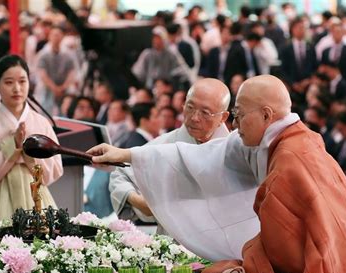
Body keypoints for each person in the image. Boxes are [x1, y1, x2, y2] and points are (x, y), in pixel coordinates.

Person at [87, 75, 346, 273]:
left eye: (239, 115)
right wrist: (127, 155)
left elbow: (284, 252)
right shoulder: (274, 140)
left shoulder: (290, 161)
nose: (235, 123)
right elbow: (211, 157)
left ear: (267, 115)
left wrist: (225, 269)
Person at [108, 78, 256, 246]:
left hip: (224, 246)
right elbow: (120, 174)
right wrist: (139, 201)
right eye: (190, 107)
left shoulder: (236, 150)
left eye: (205, 113)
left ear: (223, 117)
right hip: (174, 246)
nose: (194, 118)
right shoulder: (165, 144)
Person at [0, 55, 63, 226]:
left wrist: (29, 155)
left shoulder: (41, 122)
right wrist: (13, 147)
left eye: (22, 81)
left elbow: (55, 169)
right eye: (9, 82)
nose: (17, 88)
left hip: (35, 197)